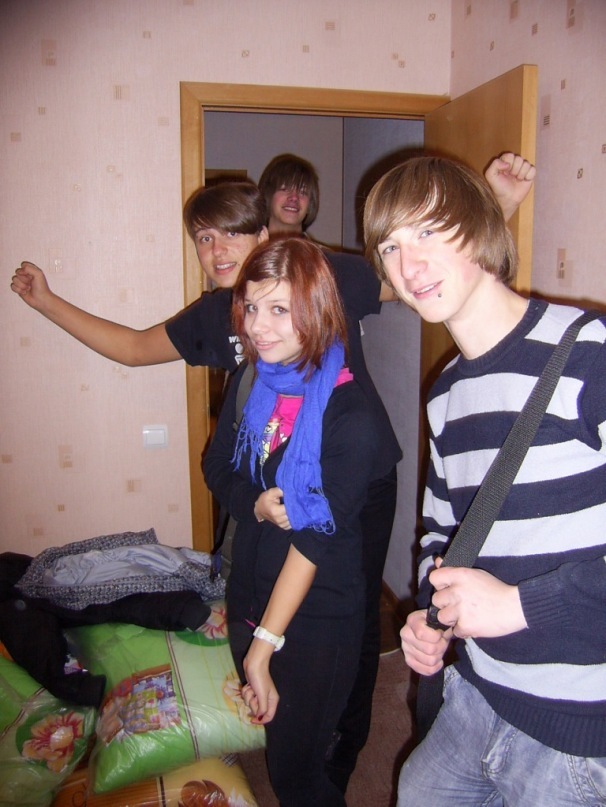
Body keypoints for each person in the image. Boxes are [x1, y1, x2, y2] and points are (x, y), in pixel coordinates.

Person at [10, 157, 528, 792]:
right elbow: (134, 348)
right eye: (204, 238)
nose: (218, 249)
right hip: (272, 466)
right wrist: (45, 301)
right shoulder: (218, 315)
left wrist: (494, 204)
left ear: (266, 234)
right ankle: (296, 704)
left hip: (355, 477)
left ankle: (337, 742)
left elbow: (419, 277)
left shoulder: (321, 276)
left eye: (233, 232)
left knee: (350, 615)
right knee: (275, 580)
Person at [363, 154, 606, 806]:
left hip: (577, 727)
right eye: (391, 245)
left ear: (481, 228)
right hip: (476, 693)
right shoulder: (445, 393)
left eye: (428, 231)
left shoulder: (590, 354)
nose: (409, 265)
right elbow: (442, 533)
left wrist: (518, 607)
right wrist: (431, 612)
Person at [203, 236, 377, 806]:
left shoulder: (351, 416)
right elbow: (216, 465)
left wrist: (263, 649)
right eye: (252, 307)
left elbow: (313, 541)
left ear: (316, 310)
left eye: (279, 309)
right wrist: (253, 501)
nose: (257, 326)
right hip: (252, 591)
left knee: (296, 774)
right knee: (280, 747)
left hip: (316, 618)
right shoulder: (251, 381)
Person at [258, 153, 319, 235]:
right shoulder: (246, 243)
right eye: (285, 189)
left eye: (302, 192)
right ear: (268, 195)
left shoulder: (322, 245)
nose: (294, 198)